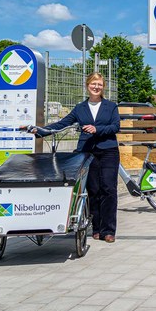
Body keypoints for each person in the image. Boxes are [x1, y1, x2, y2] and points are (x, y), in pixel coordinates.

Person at [33, 72, 121, 243]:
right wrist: (39, 130)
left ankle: (108, 230)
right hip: (87, 152)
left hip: (108, 151)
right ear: (88, 85)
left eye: (100, 84)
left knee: (109, 189)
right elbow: (62, 124)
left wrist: (97, 129)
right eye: (93, 84)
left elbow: (115, 127)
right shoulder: (80, 108)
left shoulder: (111, 107)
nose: (96, 87)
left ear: (103, 87)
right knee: (93, 190)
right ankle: (96, 228)